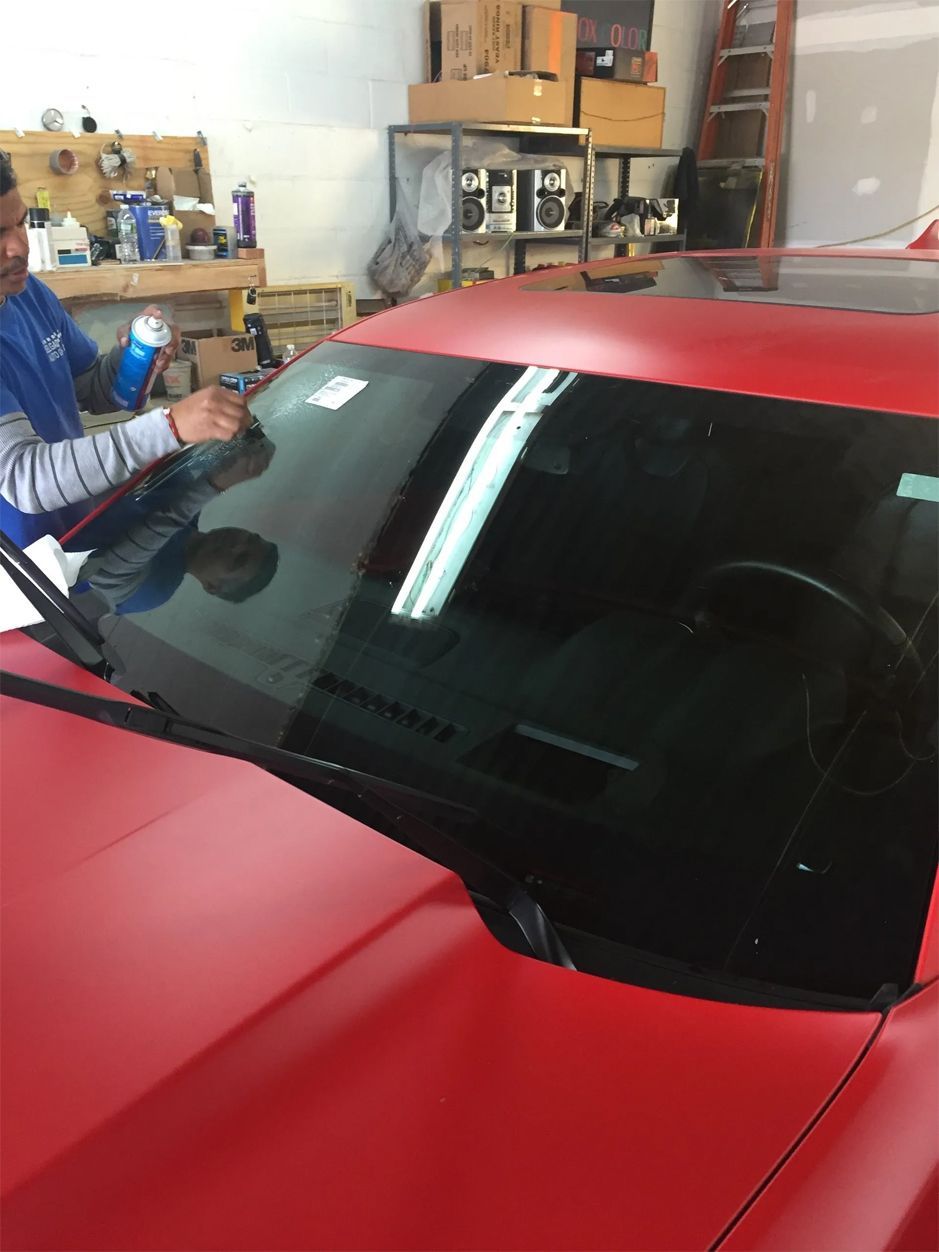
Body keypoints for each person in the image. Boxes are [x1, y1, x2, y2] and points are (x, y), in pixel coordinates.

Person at [0, 152, 251, 549]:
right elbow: (24, 480)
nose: (18, 246)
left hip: (78, 538)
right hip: (22, 576)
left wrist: (135, 356)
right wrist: (169, 427)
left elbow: (94, 390)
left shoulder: (29, 294)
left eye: (21, 222)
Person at [74, 438, 279, 616]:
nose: (237, 544)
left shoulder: (159, 589)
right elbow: (173, 457)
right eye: (249, 539)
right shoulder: (188, 514)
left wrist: (213, 486)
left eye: (238, 559)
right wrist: (236, 444)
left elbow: (104, 572)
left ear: (212, 586)